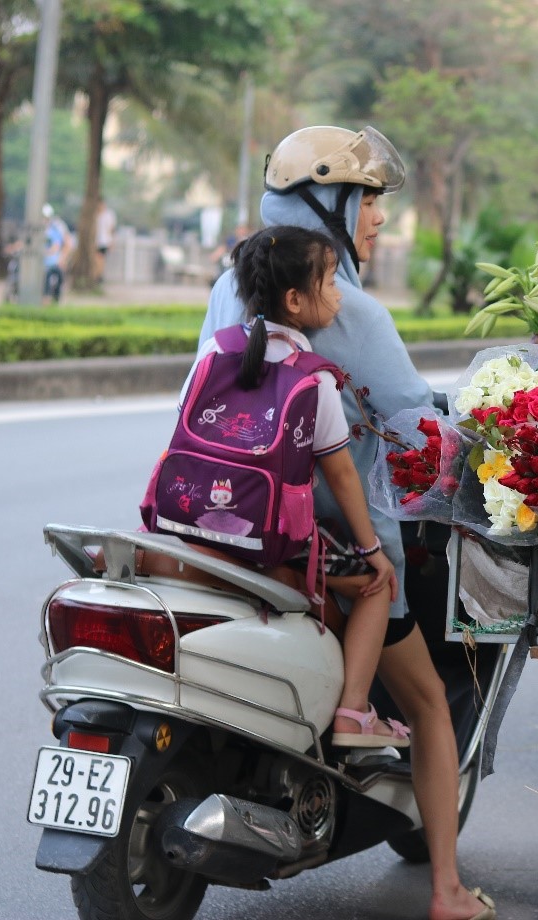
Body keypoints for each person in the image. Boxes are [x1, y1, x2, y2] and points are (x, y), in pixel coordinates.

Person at [199, 125, 494, 920]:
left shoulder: (231, 287)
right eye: (368, 202)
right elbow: (414, 425)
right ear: (327, 201)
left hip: (220, 533)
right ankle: (447, 889)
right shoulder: (346, 307)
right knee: (430, 702)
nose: (378, 220)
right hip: (322, 548)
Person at [195, 225, 409, 748]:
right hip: (277, 533)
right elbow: (340, 473)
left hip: (198, 519)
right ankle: (354, 712)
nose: (339, 296)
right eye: (331, 283)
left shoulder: (213, 355)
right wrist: (374, 551)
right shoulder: (315, 377)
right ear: (295, 299)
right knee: (377, 588)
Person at [42, 204, 69, 304]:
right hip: (40, 263)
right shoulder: (35, 229)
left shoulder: (54, 230)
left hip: (51, 263)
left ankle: (52, 300)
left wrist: (62, 259)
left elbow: (57, 246)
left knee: (56, 274)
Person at [94, 202, 117, 285]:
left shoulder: (108, 215)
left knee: (100, 258)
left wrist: (112, 241)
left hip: (104, 241)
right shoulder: (95, 215)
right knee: (97, 259)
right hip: (96, 242)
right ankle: (97, 276)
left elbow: (111, 228)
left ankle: (99, 276)